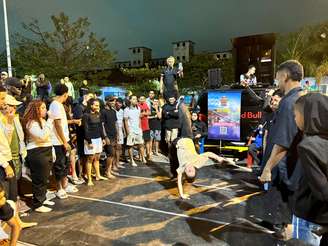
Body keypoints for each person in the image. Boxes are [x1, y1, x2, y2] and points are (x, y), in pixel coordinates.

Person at [290, 93, 328, 245]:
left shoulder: (308, 146)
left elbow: (322, 191)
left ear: (307, 115)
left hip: (310, 216)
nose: (294, 119)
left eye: (296, 115)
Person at [22, 100, 54, 213]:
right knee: (39, 179)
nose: (46, 110)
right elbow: (42, 136)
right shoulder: (31, 123)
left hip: (46, 150)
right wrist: (50, 120)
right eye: (43, 108)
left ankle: (43, 199)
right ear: (36, 109)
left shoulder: (42, 121)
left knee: (44, 178)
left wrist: (52, 151)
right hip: (37, 152)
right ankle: (38, 204)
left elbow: (48, 138)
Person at [48, 83, 73, 199]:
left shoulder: (59, 104)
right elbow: (57, 124)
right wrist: (64, 142)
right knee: (59, 165)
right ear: (65, 94)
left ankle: (65, 184)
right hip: (57, 141)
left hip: (63, 139)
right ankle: (59, 188)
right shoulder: (55, 105)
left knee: (65, 164)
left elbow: (62, 123)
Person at [82, 98, 107, 186]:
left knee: (97, 158)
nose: (97, 107)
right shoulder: (86, 115)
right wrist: (89, 141)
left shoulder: (98, 114)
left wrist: (103, 138)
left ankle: (98, 175)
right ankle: (89, 179)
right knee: (90, 159)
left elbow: (100, 127)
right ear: (91, 105)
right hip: (90, 139)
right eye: (96, 105)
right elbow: (85, 129)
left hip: (98, 139)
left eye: (98, 105)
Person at [124, 95, 145, 166]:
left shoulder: (138, 108)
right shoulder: (126, 110)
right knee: (130, 146)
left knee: (141, 144)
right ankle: (132, 160)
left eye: (136, 99)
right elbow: (126, 121)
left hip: (138, 130)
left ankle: (142, 157)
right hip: (131, 130)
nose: (135, 100)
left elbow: (139, 118)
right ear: (130, 100)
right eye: (133, 99)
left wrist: (140, 128)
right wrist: (128, 132)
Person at [101, 97, 118, 178]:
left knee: (113, 154)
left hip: (114, 135)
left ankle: (109, 170)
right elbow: (102, 125)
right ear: (106, 101)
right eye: (111, 101)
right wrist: (105, 137)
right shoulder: (103, 112)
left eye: (114, 101)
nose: (113, 102)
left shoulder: (113, 111)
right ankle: (107, 172)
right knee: (110, 154)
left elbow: (115, 123)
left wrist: (117, 134)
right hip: (108, 136)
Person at [138, 96, 151, 160]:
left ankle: (148, 153)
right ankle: (141, 156)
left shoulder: (145, 105)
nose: (142, 100)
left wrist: (143, 113)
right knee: (141, 142)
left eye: (143, 99)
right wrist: (144, 113)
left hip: (146, 126)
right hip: (140, 126)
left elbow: (149, 113)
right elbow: (138, 115)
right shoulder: (137, 105)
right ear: (139, 99)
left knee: (147, 141)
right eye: (141, 99)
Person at [115, 98, 126, 166]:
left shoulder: (122, 111)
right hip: (115, 130)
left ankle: (118, 161)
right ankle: (115, 162)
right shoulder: (113, 111)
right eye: (118, 103)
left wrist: (124, 130)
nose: (119, 104)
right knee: (116, 147)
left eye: (121, 103)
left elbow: (122, 121)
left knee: (120, 147)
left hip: (120, 130)